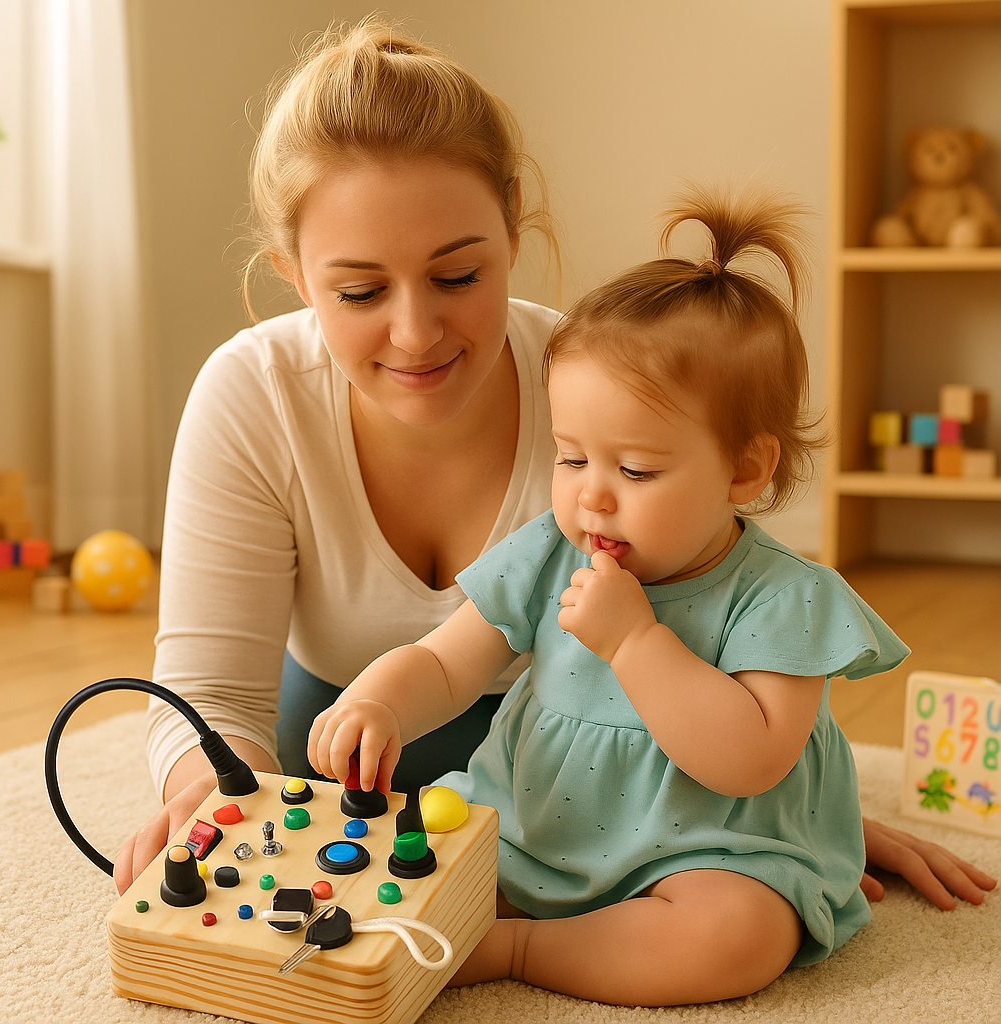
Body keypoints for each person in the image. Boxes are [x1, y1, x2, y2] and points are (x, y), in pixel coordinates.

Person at [114, 19, 996, 918]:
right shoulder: (252, 392)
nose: (416, 334)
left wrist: (787, 815)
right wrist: (209, 790)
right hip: (376, 749)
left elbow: (726, 585)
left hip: (604, 762)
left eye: (458, 276)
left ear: (513, 234)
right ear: (295, 277)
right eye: (360, 291)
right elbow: (213, 692)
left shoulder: (597, 390)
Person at [307, 184, 914, 1004]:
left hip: (706, 853)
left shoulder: (786, 599)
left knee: (736, 937)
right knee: (391, 871)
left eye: (634, 470)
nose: (592, 496)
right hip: (530, 825)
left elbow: (748, 761)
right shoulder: (555, 551)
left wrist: (635, 643)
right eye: (569, 457)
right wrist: (379, 701)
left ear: (745, 468)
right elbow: (447, 666)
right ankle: (504, 910)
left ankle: (520, 950)